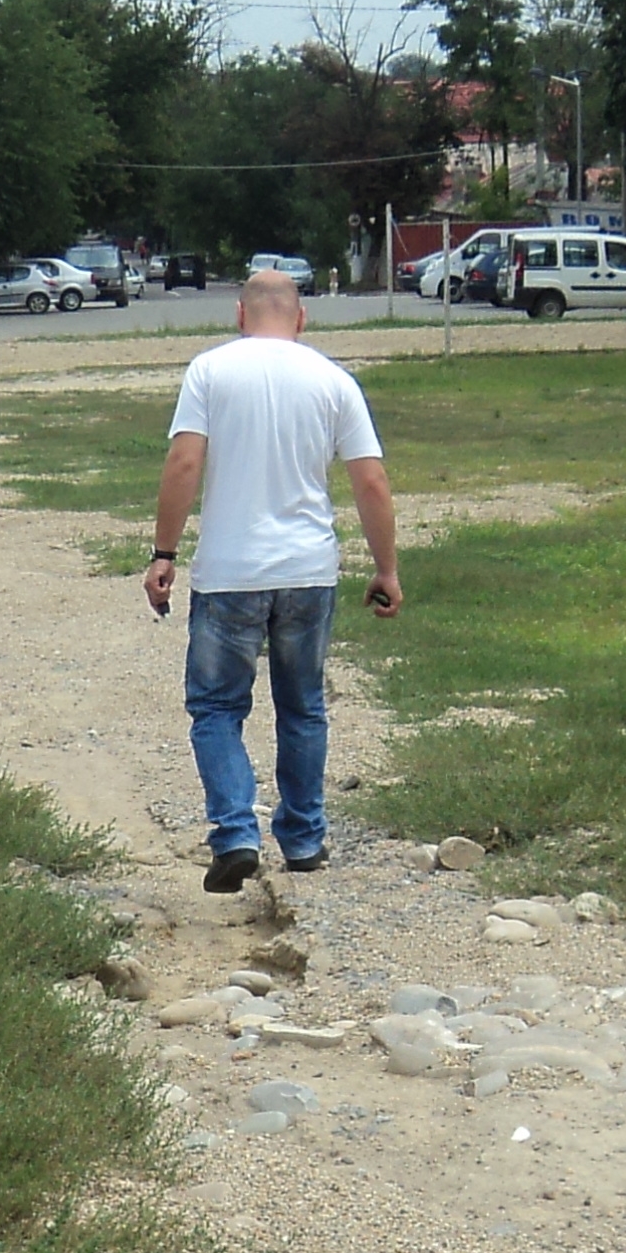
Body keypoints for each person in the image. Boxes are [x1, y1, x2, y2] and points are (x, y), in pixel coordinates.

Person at [141, 269, 399, 890]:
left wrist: (164, 552)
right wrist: (385, 567)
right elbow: (370, 481)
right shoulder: (334, 381)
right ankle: (304, 839)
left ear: (239, 315)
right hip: (308, 572)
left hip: (230, 572)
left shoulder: (209, 371)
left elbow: (184, 461)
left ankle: (235, 832)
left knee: (216, 707)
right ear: (302, 319)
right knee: (303, 706)